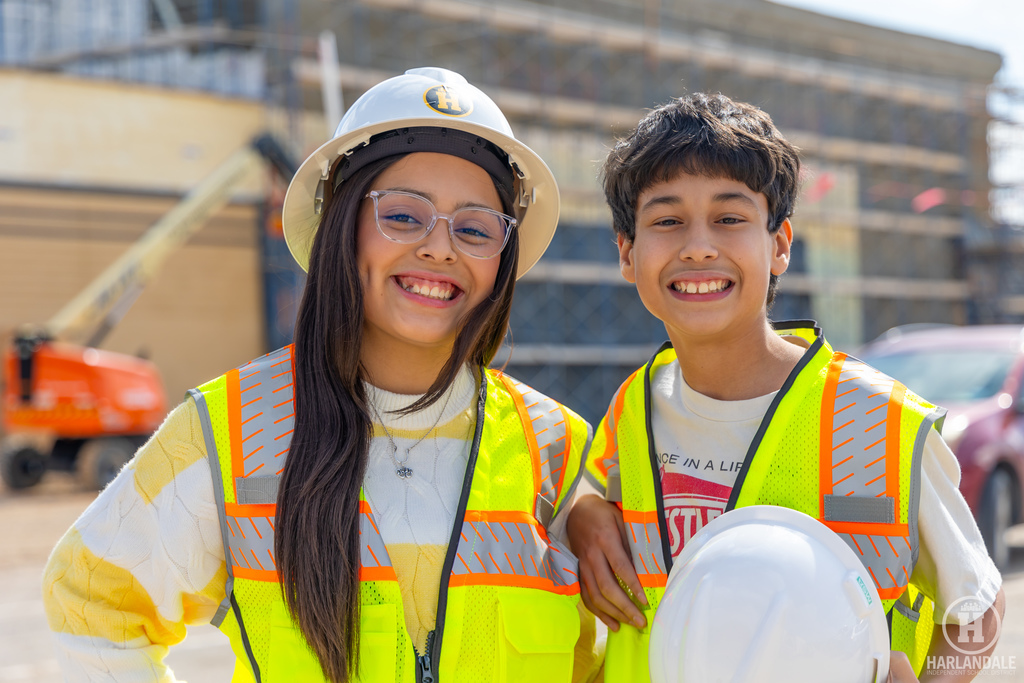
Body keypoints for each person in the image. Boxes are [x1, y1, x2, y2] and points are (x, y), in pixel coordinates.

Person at [43, 67, 598, 683]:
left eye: (474, 229)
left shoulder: (555, 444)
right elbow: (91, 602)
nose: (441, 249)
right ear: (341, 226)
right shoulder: (233, 431)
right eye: (405, 216)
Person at [565, 92, 1005, 683]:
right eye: (667, 221)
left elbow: (976, 603)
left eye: (730, 218)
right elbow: (584, 495)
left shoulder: (878, 421)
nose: (698, 245)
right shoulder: (632, 406)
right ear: (627, 253)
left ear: (779, 246)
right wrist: (584, 512)